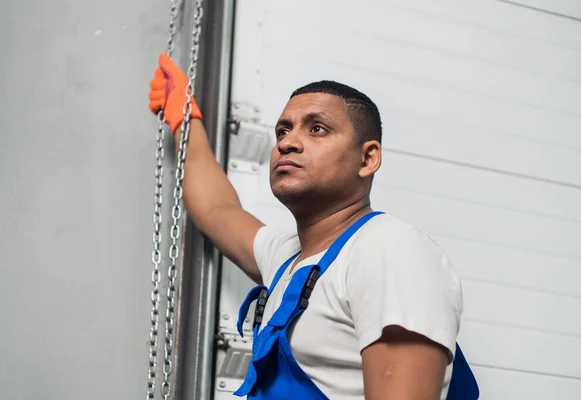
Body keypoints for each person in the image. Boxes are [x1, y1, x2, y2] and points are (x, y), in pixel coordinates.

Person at [148, 54, 478, 400]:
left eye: (317, 128)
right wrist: (185, 118)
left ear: (368, 159)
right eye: (283, 131)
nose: (288, 142)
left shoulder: (389, 250)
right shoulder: (288, 259)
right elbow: (218, 210)